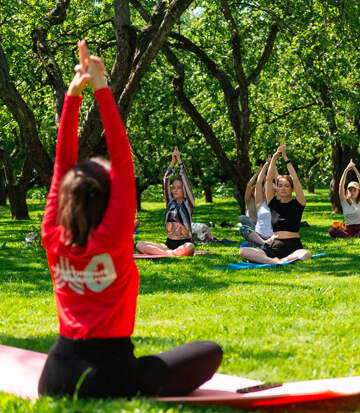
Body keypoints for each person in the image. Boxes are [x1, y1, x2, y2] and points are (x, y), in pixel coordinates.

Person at [38, 41, 222, 398]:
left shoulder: (53, 235)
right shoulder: (113, 234)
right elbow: (122, 158)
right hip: (109, 376)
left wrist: (74, 95)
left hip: (56, 376)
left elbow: (63, 163)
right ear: (109, 198)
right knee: (208, 351)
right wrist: (102, 88)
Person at [239, 143, 312, 264]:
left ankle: (279, 261)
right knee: (243, 251)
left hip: (293, 245)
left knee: (306, 253)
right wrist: (274, 158)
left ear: (292, 188)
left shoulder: (299, 203)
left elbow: (295, 179)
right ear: (276, 188)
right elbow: (268, 180)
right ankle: (275, 261)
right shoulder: (273, 203)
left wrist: (285, 158)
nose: (283, 188)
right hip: (274, 245)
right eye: (280, 186)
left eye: (286, 186)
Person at [135, 147, 195, 256]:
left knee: (190, 247)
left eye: (179, 188)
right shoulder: (170, 203)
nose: (175, 190)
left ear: (184, 190)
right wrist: (172, 162)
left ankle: (166, 253)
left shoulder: (188, 204)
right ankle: (170, 253)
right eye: (174, 188)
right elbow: (166, 181)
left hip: (184, 243)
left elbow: (187, 184)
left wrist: (179, 161)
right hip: (168, 244)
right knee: (140, 244)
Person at [328, 160, 360, 238]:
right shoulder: (344, 201)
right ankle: (354, 236)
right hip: (348, 230)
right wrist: (346, 170)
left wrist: (354, 169)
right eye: (350, 190)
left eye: (354, 190)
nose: (352, 192)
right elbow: (341, 186)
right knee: (331, 230)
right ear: (347, 192)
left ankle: (353, 236)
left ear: (358, 191)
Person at [239, 156, 274, 246]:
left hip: (263, 229)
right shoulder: (249, 199)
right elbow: (249, 186)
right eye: (254, 190)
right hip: (251, 226)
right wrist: (257, 173)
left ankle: (257, 240)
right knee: (242, 218)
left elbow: (269, 184)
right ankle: (258, 240)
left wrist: (267, 170)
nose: (257, 192)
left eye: (260, 191)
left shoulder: (266, 202)